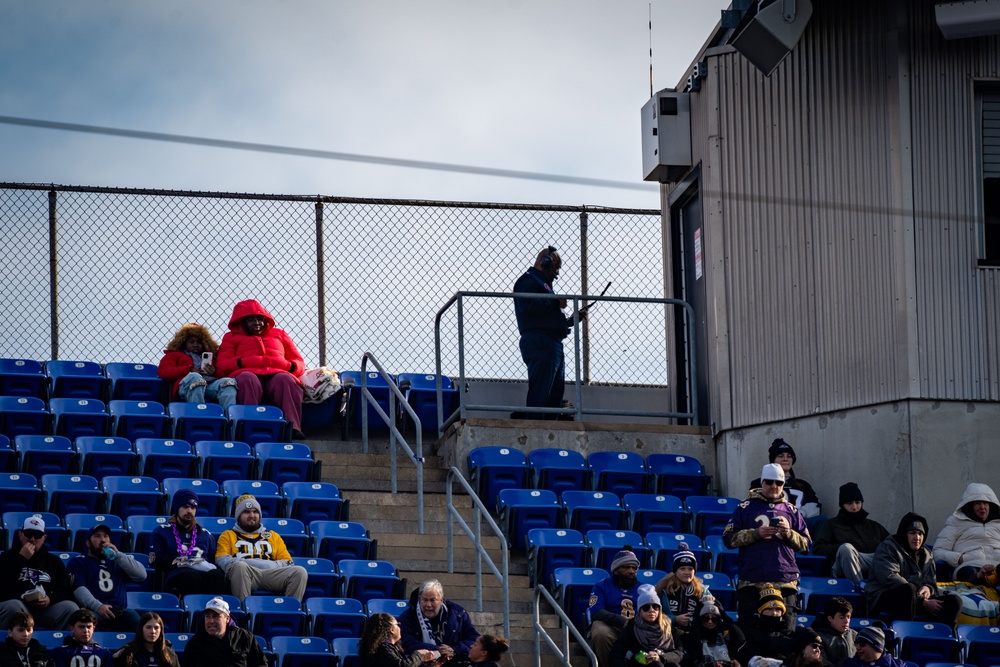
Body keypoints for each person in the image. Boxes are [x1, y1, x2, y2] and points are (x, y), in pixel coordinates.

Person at [724, 463, 811, 629]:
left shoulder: (792, 510)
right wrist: (756, 534)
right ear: (762, 482)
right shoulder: (745, 507)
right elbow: (728, 539)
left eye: (779, 483)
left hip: (785, 581)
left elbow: (806, 545)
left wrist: (789, 533)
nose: (774, 486)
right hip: (752, 581)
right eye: (769, 482)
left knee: (786, 634)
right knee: (750, 634)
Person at [512, 246, 585, 419]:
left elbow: (545, 318)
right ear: (545, 262)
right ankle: (535, 430)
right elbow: (528, 306)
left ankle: (549, 430)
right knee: (541, 393)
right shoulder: (528, 281)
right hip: (540, 342)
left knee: (554, 396)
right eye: (556, 267)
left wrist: (569, 322)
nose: (556, 273)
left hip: (552, 343)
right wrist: (555, 302)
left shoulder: (543, 285)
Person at [215, 299, 306, 438]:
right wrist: (243, 362)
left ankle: (292, 428)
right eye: (251, 320)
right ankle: (249, 427)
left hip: (277, 374)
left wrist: (289, 366)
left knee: (286, 379)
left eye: (260, 319)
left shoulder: (280, 334)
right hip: (247, 374)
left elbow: (298, 362)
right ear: (242, 322)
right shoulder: (231, 337)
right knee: (247, 379)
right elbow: (221, 365)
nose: (257, 323)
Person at [865, 512, 962, 625]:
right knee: (908, 590)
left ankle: (938, 638)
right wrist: (921, 601)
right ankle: (906, 634)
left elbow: (931, 582)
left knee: (955, 602)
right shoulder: (887, 547)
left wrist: (928, 588)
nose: (917, 538)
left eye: (921, 534)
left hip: (916, 599)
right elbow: (889, 578)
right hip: (885, 597)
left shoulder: (926, 554)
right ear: (904, 534)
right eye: (912, 533)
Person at [215, 494, 308, 601]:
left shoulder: (273, 535)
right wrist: (250, 564)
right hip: (245, 574)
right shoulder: (227, 535)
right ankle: (243, 612)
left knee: (300, 572)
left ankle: (288, 612)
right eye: (246, 512)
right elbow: (222, 560)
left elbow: (288, 562)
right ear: (238, 516)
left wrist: (268, 565)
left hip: (271, 574)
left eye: (255, 512)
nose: (252, 515)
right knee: (239, 567)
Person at [0, 516, 79, 631]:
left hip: (47, 609)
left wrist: (50, 599)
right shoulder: (6, 558)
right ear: (20, 535)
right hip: (19, 607)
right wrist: (21, 559)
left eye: (37, 535)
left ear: (44, 538)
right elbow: (2, 586)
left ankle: (60, 645)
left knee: (71, 608)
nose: (32, 539)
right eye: (28, 534)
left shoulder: (54, 561)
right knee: (12, 606)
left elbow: (65, 590)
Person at [67, 523, 146, 633]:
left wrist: (118, 555)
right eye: (97, 536)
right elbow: (79, 589)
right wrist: (98, 606)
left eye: (106, 536)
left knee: (134, 618)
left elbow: (141, 575)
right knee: (88, 622)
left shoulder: (117, 561)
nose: (103, 540)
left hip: (119, 611)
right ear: (88, 543)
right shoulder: (79, 561)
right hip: (94, 610)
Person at [150, 489, 225, 597]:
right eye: (185, 507)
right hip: (178, 574)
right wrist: (183, 561)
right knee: (192, 576)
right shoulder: (161, 532)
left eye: (193, 507)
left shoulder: (205, 535)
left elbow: (212, 561)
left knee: (216, 575)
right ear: (177, 508)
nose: (189, 510)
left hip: (203, 574)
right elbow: (155, 561)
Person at [812, 484, 889, 584]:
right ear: (842, 505)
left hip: (872, 562)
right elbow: (818, 549)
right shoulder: (831, 525)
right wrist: (840, 548)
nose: (854, 507)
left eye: (857, 502)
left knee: (892, 550)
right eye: (849, 503)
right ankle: (860, 590)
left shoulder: (874, 526)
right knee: (846, 549)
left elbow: (891, 546)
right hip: (844, 563)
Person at [157, 322, 237, 411]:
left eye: (199, 342)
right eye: (191, 342)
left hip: (209, 385)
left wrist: (215, 372)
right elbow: (163, 371)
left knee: (228, 383)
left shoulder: (210, 357)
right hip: (187, 385)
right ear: (183, 343)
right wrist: (189, 370)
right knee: (195, 377)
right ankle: (198, 416)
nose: (195, 344)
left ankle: (228, 420)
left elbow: (222, 375)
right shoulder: (174, 355)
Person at [398, 580, 480, 666]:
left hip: (455, 662)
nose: (428, 605)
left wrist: (455, 650)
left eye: (433, 600)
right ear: (420, 599)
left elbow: (473, 638)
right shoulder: (407, 617)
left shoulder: (458, 614)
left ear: (441, 600)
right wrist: (436, 650)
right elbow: (406, 642)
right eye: (425, 600)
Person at [748, 439, 824, 531]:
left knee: (821, 520)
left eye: (789, 456)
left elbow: (815, 506)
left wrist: (797, 515)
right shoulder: (760, 482)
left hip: (798, 523)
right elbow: (755, 506)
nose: (785, 459)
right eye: (780, 456)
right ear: (773, 460)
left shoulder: (803, 485)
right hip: (773, 523)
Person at [931, 482, 1000, 582]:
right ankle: (980, 578)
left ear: (991, 505)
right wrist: (960, 558)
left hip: (997, 567)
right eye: (977, 503)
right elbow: (937, 552)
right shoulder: (956, 522)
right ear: (969, 506)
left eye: (985, 503)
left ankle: (992, 578)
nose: (982, 507)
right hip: (970, 567)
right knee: (967, 572)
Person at [586, 547, 643, 667]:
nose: (631, 571)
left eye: (634, 568)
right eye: (626, 567)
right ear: (616, 569)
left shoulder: (643, 588)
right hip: (611, 626)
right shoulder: (602, 586)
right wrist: (622, 621)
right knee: (600, 631)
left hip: (638, 626)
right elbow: (596, 612)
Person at [609, 584, 684, 667]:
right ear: (640, 611)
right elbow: (616, 655)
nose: (651, 610)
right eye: (646, 607)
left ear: (660, 610)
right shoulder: (632, 627)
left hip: (664, 661)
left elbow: (679, 652)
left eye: (655, 607)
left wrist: (661, 657)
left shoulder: (668, 627)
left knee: (674, 665)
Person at [181, 597, 267, 667]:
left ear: (227, 618)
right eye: (207, 616)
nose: (211, 621)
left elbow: (261, 663)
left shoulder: (244, 637)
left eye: (216, 616)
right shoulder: (195, 644)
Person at [680, 594, 744, 667]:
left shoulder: (724, 633)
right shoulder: (694, 633)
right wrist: (696, 620)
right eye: (705, 618)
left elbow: (740, 640)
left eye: (714, 619)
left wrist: (725, 616)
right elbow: (694, 645)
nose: (710, 622)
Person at [654, 546, 704, 633]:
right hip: (667, 632)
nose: (687, 572)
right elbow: (653, 614)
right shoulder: (663, 589)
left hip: (695, 632)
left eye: (690, 569)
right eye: (682, 569)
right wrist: (675, 619)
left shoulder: (703, 590)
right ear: (675, 570)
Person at [359, 613, 435, 667]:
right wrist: (418, 654)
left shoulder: (387, 648)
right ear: (391, 629)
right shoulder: (382, 649)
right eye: (398, 625)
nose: (400, 628)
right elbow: (403, 665)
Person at [112, 612, 179, 667]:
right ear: (141, 629)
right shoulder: (128, 653)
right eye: (148, 627)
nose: (153, 631)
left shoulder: (169, 654)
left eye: (156, 628)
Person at [811, 597, 856, 667]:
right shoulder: (817, 638)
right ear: (830, 618)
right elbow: (822, 663)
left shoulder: (855, 635)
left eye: (848, 617)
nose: (846, 621)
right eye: (842, 617)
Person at [749, 627, 825, 667]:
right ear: (802, 647)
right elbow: (753, 661)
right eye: (814, 646)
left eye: (820, 647)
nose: (818, 649)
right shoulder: (780, 664)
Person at [841, 627, 907, 667]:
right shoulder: (850, 664)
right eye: (856, 644)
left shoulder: (897, 665)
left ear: (876, 646)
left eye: (862, 644)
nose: (857, 647)